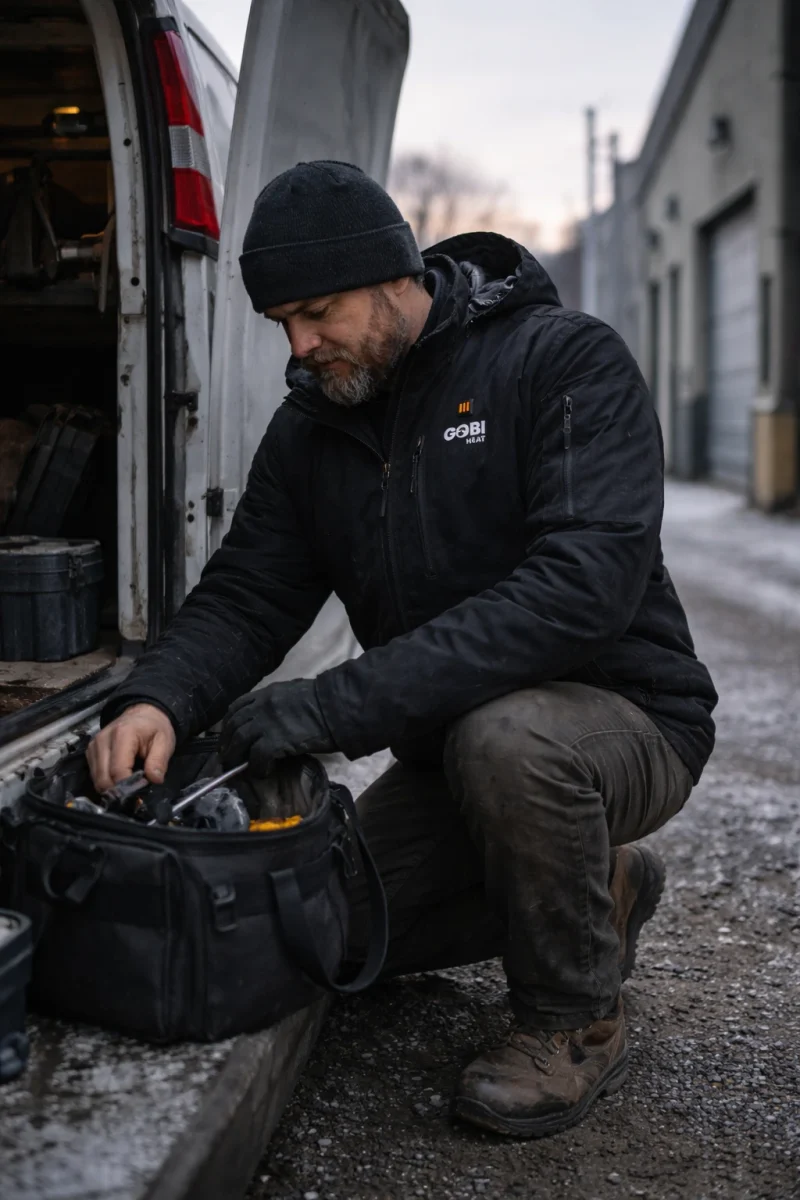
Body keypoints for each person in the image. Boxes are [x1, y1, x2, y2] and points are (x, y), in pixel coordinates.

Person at [88, 161, 716, 1138]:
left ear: (393, 275)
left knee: (508, 740)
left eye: (317, 313)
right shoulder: (312, 428)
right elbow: (248, 593)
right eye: (282, 324)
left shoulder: (561, 363)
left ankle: (571, 1018)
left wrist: (332, 705)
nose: (300, 347)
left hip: (620, 724)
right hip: (451, 752)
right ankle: (594, 889)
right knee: (319, 930)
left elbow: (580, 591)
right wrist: (156, 698)